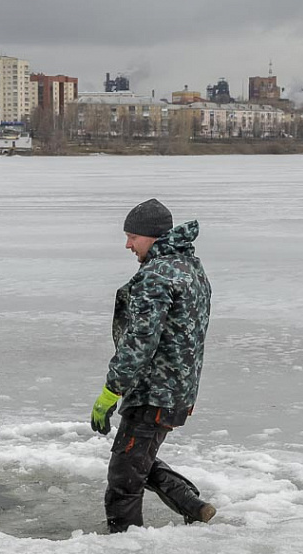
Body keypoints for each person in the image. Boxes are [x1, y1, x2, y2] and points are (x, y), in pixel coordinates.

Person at [90, 198, 216, 533]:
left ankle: (124, 547)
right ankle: (193, 506)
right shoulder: (190, 267)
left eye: (133, 236)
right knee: (135, 460)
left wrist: (110, 390)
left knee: (123, 479)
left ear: (153, 237)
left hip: (154, 392)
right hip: (177, 390)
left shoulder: (156, 277)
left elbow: (139, 341)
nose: (128, 244)